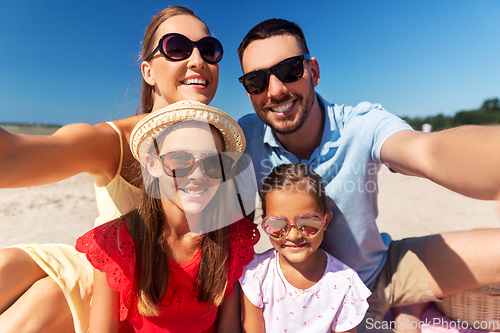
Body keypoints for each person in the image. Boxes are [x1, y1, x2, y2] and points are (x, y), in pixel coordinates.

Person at [236, 18, 500, 332]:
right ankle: (410, 308)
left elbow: (427, 152)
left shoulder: (361, 124)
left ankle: (409, 303)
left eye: (289, 70)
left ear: (314, 72)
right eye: (256, 81)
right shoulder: (244, 138)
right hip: (314, 295)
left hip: (383, 269)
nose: (276, 90)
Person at [0, 6, 224, 333]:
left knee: (48, 297)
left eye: (209, 49)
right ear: (148, 71)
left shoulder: (220, 147)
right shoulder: (116, 141)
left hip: (145, 299)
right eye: (177, 48)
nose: (197, 59)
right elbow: (11, 161)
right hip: (106, 270)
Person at [76, 100, 259, 333]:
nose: (198, 174)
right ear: (152, 165)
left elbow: (229, 326)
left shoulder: (232, 235)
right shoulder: (116, 244)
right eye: (180, 160)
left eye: (213, 162)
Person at [239, 163, 371, 333]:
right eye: (278, 224)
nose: (293, 236)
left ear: (326, 220)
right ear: (265, 224)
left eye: (308, 223)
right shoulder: (255, 274)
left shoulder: (345, 282)